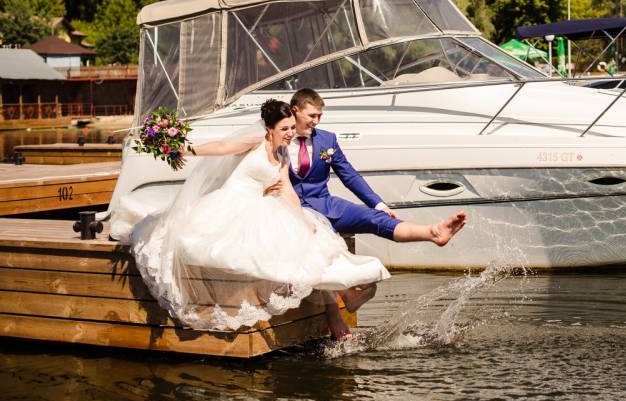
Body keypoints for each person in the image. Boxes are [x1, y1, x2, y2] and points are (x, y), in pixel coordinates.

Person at [129, 99, 391, 339]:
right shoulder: (254, 142)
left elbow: (286, 188)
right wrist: (182, 149)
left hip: (262, 204)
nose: (290, 133)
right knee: (244, 252)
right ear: (269, 129)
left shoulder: (283, 152)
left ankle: (346, 289)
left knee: (309, 241)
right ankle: (340, 298)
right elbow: (221, 148)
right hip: (230, 206)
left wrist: (302, 219)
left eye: (292, 128)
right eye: (284, 129)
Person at [279, 88, 467, 331]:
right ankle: (340, 307)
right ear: (295, 111)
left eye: (320, 116)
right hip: (293, 211)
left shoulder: (327, 140)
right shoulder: (278, 138)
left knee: (376, 218)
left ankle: (433, 232)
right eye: (312, 116)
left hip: (326, 204)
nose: (316, 122)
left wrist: (378, 204)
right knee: (316, 245)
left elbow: (349, 175)